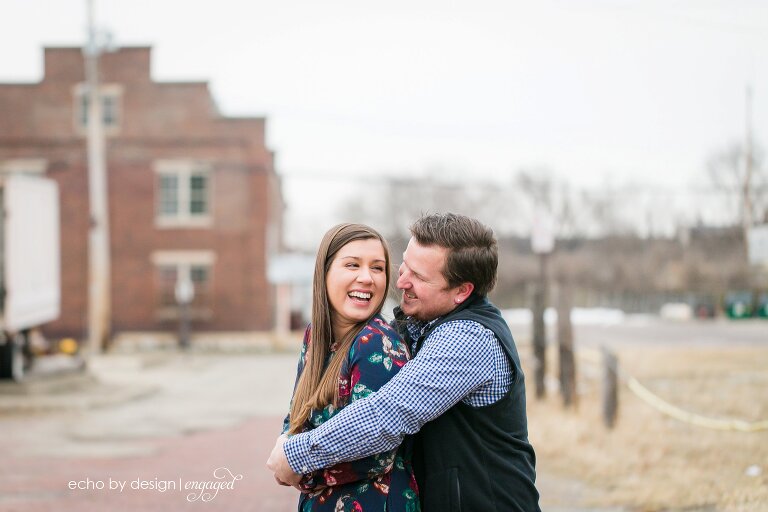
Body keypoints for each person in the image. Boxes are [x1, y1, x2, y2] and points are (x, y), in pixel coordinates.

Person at [268, 213, 540, 512]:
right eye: (404, 265)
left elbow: (387, 414)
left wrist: (295, 456)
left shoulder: (468, 338)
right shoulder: (418, 324)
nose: (400, 281)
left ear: (462, 291)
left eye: (419, 277)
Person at [277, 223, 420, 511]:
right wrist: (284, 443)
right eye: (352, 265)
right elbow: (298, 414)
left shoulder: (377, 344)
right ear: (325, 272)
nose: (366, 278)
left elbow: (376, 452)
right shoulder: (314, 335)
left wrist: (294, 467)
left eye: (377, 268)